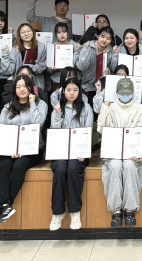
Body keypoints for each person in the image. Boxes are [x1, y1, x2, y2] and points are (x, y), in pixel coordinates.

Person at [0, 75, 47, 223]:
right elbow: (2, 130)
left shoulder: (40, 104)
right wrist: (12, 148)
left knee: (19, 165)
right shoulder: (7, 107)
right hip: (11, 149)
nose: (21, 89)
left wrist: (32, 104)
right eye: (18, 87)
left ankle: (7, 204)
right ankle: (5, 206)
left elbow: (38, 125)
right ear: (14, 89)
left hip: (32, 149)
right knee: (3, 165)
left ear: (31, 88)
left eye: (25, 86)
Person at [97, 78, 142, 228]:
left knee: (130, 166)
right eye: (122, 93)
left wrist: (139, 152)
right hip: (113, 151)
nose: (125, 96)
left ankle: (130, 209)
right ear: (117, 92)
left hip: (131, 152)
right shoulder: (110, 107)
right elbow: (101, 129)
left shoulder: (139, 108)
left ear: (132, 93)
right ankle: (116, 210)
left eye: (128, 93)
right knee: (114, 166)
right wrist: (105, 109)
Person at [49, 78, 93, 231]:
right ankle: (57, 213)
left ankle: (75, 212)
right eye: (68, 90)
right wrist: (57, 114)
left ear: (79, 91)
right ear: (63, 91)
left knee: (73, 168)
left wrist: (83, 152)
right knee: (60, 170)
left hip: (79, 152)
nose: (72, 93)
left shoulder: (86, 108)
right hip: (61, 150)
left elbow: (88, 131)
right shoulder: (57, 107)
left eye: (75, 89)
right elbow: (54, 132)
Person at [0, 22, 47, 90]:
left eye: (28, 31)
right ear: (19, 35)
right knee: (21, 96)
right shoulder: (15, 50)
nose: (26, 34)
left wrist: (28, 67)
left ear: (33, 32)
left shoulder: (41, 47)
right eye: (23, 32)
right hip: (20, 85)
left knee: (36, 96)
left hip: (36, 84)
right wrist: (5, 54)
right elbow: (9, 70)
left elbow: (42, 67)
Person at [77, 26, 118, 101]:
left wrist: (108, 72)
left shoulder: (111, 51)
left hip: (103, 87)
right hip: (87, 85)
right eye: (102, 37)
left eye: (108, 38)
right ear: (98, 36)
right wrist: (86, 49)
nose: (104, 40)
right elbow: (81, 67)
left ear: (111, 40)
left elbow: (114, 70)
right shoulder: (88, 46)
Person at [48, 22, 79, 92]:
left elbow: (80, 65)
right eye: (59, 32)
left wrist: (78, 50)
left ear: (68, 33)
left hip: (73, 80)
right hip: (57, 80)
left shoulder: (75, 45)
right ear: (56, 34)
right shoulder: (52, 47)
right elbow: (47, 69)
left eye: (64, 32)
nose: (62, 35)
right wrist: (51, 69)